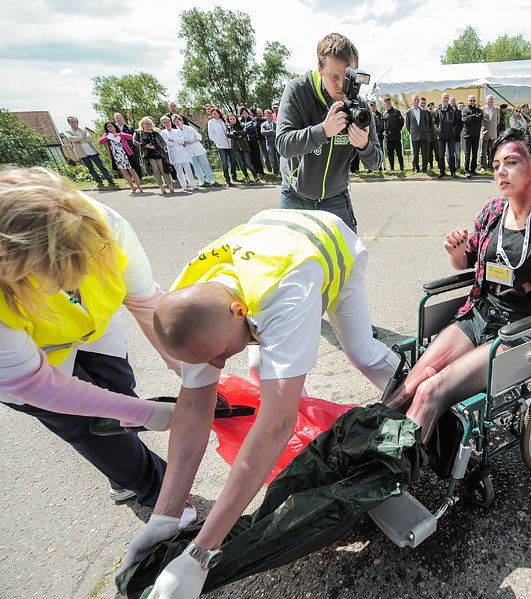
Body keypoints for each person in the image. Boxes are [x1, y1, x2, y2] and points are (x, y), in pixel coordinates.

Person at [115, 208, 399, 596]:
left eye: (219, 353)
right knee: (261, 372)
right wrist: (164, 516)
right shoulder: (190, 303)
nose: (217, 365)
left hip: (327, 245)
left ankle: (412, 401)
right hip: (268, 239)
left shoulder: (287, 294)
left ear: (239, 312)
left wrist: (202, 550)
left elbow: (275, 427)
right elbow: (195, 408)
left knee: (360, 352)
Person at [0, 166, 192, 520]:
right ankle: (163, 497)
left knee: (120, 391)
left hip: (95, 329)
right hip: (28, 362)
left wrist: (185, 368)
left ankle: (122, 469)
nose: (68, 288)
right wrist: (145, 413)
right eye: (54, 280)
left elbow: (145, 302)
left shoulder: (108, 227)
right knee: (87, 424)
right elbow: (35, 384)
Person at [384, 127, 531, 442]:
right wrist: (456, 253)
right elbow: (467, 263)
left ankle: (392, 474)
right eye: (495, 165)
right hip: (478, 314)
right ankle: (368, 448)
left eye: (511, 162)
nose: (501, 172)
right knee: (409, 385)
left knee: (431, 391)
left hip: (520, 331)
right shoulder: (492, 212)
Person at [276, 32, 382, 234]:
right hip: (296, 196)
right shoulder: (298, 90)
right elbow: (283, 144)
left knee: (347, 261)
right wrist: (322, 131)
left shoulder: (359, 107)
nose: (342, 85)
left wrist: (364, 146)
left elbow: (376, 163)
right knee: (296, 262)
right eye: (335, 76)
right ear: (320, 69)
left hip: (336, 198)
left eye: (349, 77)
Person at [65, 117, 116, 188]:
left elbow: (90, 138)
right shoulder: (68, 131)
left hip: (92, 151)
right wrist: (83, 137)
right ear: (69, 123)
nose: (73, 123)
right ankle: (99, 182)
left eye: (74, 121)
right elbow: (71, 139)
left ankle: (110, 180)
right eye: (71, 122)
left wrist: (78, 139)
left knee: (101, 166)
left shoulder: (83, 130)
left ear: (77, 122)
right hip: (82, 153)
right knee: (91, 168)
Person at [132, 117, 176, 195]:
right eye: (146, 123)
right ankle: (161, 188)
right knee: (155, 172)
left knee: (165, 170)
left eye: (150, 124)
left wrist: (155, 146)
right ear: (142, 124)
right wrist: (144, 145)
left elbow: (163, 143)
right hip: (148, 156)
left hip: (160, 155)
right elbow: (135, 142)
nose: (148, 125)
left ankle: (170, 186)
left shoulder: (156, 133)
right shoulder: (138, 133)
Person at [98, 122, 144, 194]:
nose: (109, 128)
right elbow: (100, 141)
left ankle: (139, 187)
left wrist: (119, 134)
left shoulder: (120, 133)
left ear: (115, 127)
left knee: (132, 171)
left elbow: (130, 137)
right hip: (117, 156)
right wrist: (108, 136)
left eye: (111, 126)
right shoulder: (107, 135)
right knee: (125, 173)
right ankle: (132, 188)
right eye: (107, 127)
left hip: (126, 154)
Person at [175, 115, 217, 187]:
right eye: (175, 122)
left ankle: (210, 179)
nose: (177, 123)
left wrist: (192, 142)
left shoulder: (189, 128)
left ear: (181, 121)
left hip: (198, 149)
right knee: (196, 167)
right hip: (188, 151)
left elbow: (199, 137)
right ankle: (201, 180)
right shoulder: (176, 132)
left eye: (178, 121)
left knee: (205, 165)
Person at [159, 115, 198, 192]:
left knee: (188, 169)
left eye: (168, 122)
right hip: (173, 153)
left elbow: (182, 140)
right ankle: (184, 185)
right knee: (179, 171)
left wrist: (173, 140)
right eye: (165, 123)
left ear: (170, 122)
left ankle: (193, 184)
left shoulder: (177, 130)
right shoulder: (163, 133)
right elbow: (167, 143)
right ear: (163, 124)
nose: (167, 124)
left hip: (182, 151)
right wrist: (176, 141)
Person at [226, 113, 262, 184]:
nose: (232, 120)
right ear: (229, 120)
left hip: (244, 146)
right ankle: (247, 177)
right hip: (235, 147)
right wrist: (237, 136)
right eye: (230, 119)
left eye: (233, 119)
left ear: (236, 118)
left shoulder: (241, 124)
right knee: (241, 163)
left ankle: (255, 176)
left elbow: (245, 131)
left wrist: (235, 133)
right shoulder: (228, 127)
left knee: (248, 162)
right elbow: (228, 135)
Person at [206, 108, 234, 188]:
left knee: (233, 161)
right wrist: (217, 140)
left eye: (215, 113)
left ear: (219, 113)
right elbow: (211, 135)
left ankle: (234, 176)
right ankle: (227, 180)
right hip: (220, 145)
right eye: (212, 114)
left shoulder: (224, 121)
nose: (214, 115)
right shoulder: (211, 122)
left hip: (229, 144)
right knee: (224, 163)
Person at [434, 92, 460, 178]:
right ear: (441, 99)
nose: (445, 99)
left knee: (452, 154)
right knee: (441, 154)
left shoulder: (452, 110)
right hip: (441, 136)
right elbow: (434, 122)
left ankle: (453, 171)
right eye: (444, 97)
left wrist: (454, 130)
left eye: (447, 98)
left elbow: (457, 122)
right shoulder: (437, 111)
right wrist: (437, 129)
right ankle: (442, 172)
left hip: (451, 136)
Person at [405, 94, 431, 173]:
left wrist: (425, 131)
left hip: (423, 135)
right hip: (414, 135)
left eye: (417, 99)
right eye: (415, 99)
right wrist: (412, 132)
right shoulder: (409, 112)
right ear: (412, 101)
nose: (416, 101)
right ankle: (415, 167)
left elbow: (427, 123)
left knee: (424, 152)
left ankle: (424, 167)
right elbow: (407, 125)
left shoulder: (423, 111)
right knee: (415, 153)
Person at [113, 112, 144, 178]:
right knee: (125, 164)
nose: (118, 119)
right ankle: (129, 177)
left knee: (135, 163)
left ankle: (139, 177)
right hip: (120, 149)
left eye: (120, 118)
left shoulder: (129, 127)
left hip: (131, 148)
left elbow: (133, 137)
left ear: (122, 118)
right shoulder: (113, 129)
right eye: (116, 118)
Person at [238, 106, 265, 175]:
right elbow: (240, 130)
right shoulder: (240, 120)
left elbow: (253, 128)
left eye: (245, 113)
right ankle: (255, 171)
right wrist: (245, 131)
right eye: (243, 113)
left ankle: (261, 171)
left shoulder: (252, 119)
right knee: (251, 157)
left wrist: (246, 130)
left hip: (253, 139)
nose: (244, 114)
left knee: (257, 155)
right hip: (246, 141)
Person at [461, 95, 483, 178]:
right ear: (468, 101)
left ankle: (473, 170)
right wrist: (474, 117)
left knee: (475, 153)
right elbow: (465, 120)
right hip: (467, 135)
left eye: (474, 100)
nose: (472, 102)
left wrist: (471, 117)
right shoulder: (464, 110)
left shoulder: (479, 110)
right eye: (471, 100)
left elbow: (480, 118)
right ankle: (466, 170)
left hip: (476, 135)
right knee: (467, 154)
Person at [381, 96, 405, 171]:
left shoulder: (396, 112)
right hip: (388, 136)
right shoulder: (384, 113)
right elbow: (382, 124)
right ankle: (392, 168)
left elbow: (401, 122)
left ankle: (401, 167)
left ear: (391, 103)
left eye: (389, 102)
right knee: (390, 153)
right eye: (386, 103)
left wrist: (398, 129)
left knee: (399, 152)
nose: (388, 104)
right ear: (384, 104)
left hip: (396, 135)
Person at [480, 95, 500, 170]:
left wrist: (493, 128)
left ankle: (492, 165)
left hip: (493, 133)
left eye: (492, 99)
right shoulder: (482, 109)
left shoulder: (497, 109)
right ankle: (483, 166)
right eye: (489, 99)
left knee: (493, 151)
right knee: (483, 152)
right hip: (485, 132)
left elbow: (497, 121)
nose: (490, 100)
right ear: (486, 100)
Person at [259, 109, 280, 176]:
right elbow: (263, 132)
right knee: (272, 159)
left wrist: (269, 133)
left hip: (277, 143)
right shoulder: (263, 124)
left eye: (270, 115)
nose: (269, 117)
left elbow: (277, 133)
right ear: (265, 116)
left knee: (280, 157)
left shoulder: (276, 124)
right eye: (267, 115)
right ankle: (276, 172)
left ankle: (283, 170)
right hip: (269, 144)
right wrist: (271, 131)